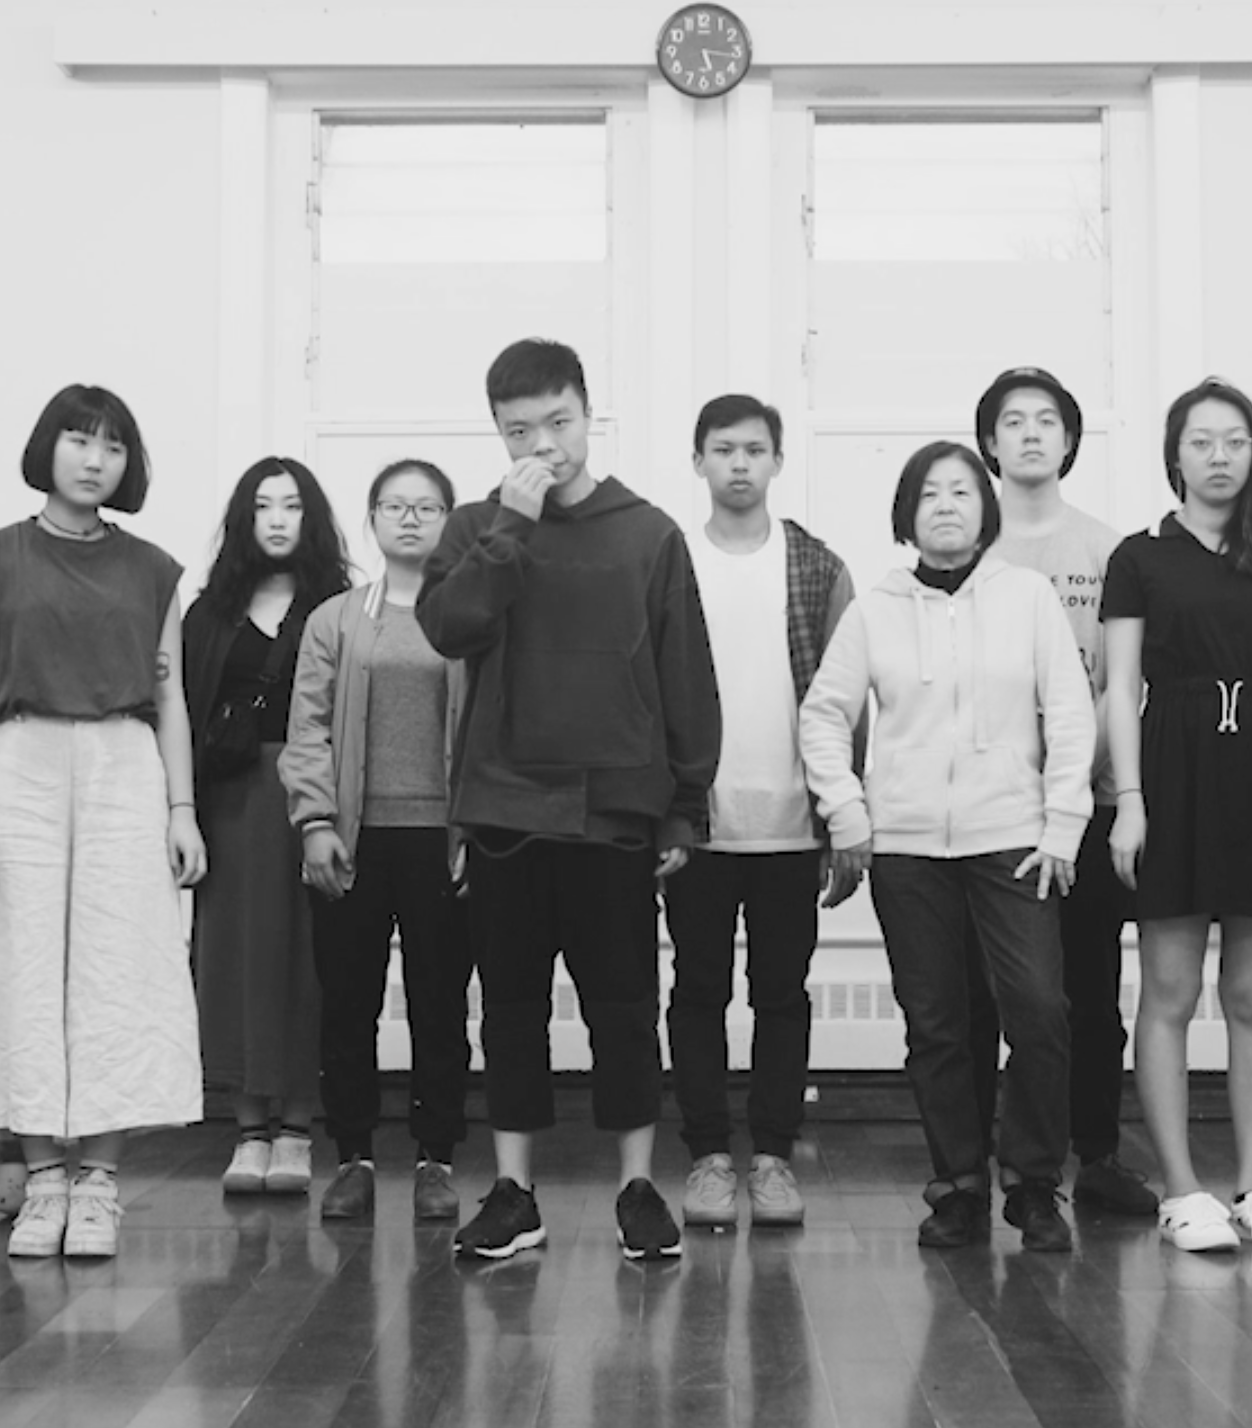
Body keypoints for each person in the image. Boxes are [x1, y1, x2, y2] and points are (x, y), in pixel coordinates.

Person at [419, 338, 720, 1264]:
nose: (543, 443)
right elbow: (450, 627)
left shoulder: (649, 533)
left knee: (624, 1005)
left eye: (558, 422)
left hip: (614, 812)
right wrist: (511, 523)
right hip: (508, 809)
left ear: (588, 414)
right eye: (519, 430)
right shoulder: (478, 526)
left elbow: (686, 676)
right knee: (508, 1008)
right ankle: (516, 1193)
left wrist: (685, 806)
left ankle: (638, 1186)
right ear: (497, 433)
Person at [801, 440, 1093, 1253]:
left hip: (1014, 842)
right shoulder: (877, 607)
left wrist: (1062, 824)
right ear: (907, 512)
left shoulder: (1028, 597)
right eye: (929, 494)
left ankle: (1034, 1185)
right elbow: (824, 714)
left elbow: (1069, 714)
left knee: (1038, 1011)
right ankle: (957, 1185)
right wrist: (850, 814)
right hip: (907, 848)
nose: (947, 506)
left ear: (985, 507)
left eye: (963, 491)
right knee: (936, 1023)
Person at [0, 386, 206, 1262]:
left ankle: (99, 1183)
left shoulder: (154, 567)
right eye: (78, 440)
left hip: (125, 763)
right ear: (45, 450)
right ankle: (43, 1179)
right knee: (23, 963)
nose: (95, 460)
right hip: (19, 762)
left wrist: (180, 808)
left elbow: (171, 699)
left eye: (113, 446)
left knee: (116, 967)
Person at [1103, 380, 1252, 1253]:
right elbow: (1119, 686)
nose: (1217, 456)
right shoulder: (1140, 556)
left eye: (1234, 441)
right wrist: (1128, 802)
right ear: (1175, 455)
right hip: (1173, 769)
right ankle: (1180, 1189)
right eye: (1200, 441)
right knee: (1168, 991)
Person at [667, 395, 857, 1232]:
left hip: (792, 822)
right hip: (696, 827)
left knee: (783, 994)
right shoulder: (667, 563)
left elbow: (852, 703)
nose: (739, 464)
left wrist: (845, 813)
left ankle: (773, 1156)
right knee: (697, 991)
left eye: (754, 450)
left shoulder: (818, 565)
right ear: (698, 461)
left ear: (778, 461)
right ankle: (709, 1155)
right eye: (722, 450)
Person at [974, 367, 1155, 1218]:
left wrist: (1121, 796)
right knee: (987, 993)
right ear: (989, 444)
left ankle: (1098, 1152)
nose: (1032, 435)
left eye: (1049, 421)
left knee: (1088, 990)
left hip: (1087, 805)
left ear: (1072, 443)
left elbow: (1126, 685)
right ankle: (978, 1158)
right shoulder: (971, 547)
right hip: (990, 810)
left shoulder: (1109, 551)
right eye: (1014, 422)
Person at [283, 459, 475, 1225]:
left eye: (427, 507)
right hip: (354, 842)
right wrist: (316, 822)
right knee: (349, 1004)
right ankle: (354, 1157)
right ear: (372, 519)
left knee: (440, 1007)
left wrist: (479, 833)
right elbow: (308, 729)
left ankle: (436, 1159)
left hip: (443, 841)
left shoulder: (469, 618)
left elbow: (492, 730)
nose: (410, 519)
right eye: (395, 506)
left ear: (449, 522)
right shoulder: (335, 620)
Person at [184, 457, 351, 1196]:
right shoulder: (208, 612)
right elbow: (182, 713)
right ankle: (247, 1126)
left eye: (291, 506)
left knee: (310, 960)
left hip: (315, 799)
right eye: (263, 506)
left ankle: (297, 1128)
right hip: (230, 802)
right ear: (243, 520)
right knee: (232, 960)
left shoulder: (342, 605)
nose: (278, 519)